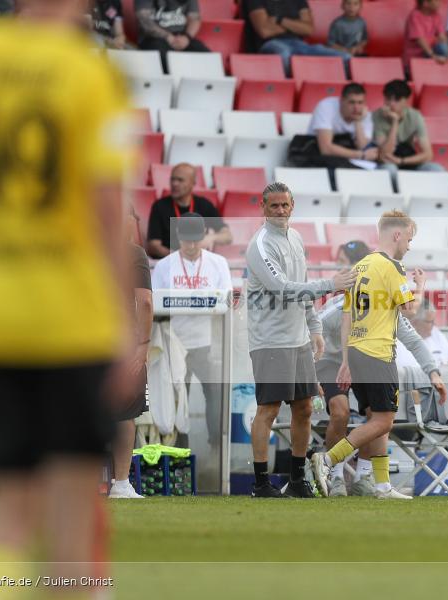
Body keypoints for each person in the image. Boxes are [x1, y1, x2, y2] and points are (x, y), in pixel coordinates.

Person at [0, 0, 136, 586]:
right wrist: (122, 320)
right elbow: (105, 205)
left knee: (10, 513)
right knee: (68, 516)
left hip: (1, 315)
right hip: (74, 316)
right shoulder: (89, 72)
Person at [311, 210, 448, 500]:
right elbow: (410, 310)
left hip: (358, 350)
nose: (410, 246)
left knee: (378, 417)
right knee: (384, 421)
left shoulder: (360, 267)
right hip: (377, 351)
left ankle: (381, 486)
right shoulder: (391, 266)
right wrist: (420, 287)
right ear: (397, 234)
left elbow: (348, 315)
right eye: (409, 239)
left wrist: (347, 360)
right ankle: (328, 460)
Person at [245, 182, 357, 498]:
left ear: (292, 206)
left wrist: (315, 328)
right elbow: (283, 289)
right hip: (270, 339)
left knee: (305, 408)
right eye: (274, 206)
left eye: (285, 205)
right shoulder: (261, 245)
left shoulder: (295, 238)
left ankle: (296, 480)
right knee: (267, 409)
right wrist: (331, 284)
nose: (280, 211)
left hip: (297, 340)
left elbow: (301, 287)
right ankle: (261, 484)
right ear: (263, 208)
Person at [151, 214, 233, 449]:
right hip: (174, 342)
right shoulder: (165, 265)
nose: (192, 246)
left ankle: (217, 446)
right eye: (187, 241)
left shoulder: (218, 263)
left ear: (205, 235)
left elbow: (225, 300)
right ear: (178, 237)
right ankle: (179, 451)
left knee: (215, 394)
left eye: (196, 240)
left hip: (207, 343)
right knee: (177, 397)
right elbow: (156, 303)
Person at [109, 213, 154, 499]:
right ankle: (121, 483)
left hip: (80, 338)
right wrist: (144, 343)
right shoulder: (132, 253)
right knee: (124, 415)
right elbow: (146, 302)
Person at [395, 298, 448, 440]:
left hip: (441, 403)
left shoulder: (435, 334)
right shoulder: (397, 340)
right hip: (408, 406)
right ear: (415, 322)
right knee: (404, 424)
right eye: (430, 322)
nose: (434, 325)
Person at [244, 0, 351, 77]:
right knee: (284, 53)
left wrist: (279, 20)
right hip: (270, 43)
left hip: (299, 44)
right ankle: (288, 90)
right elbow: (265, 31)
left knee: (345, 57)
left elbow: (308, 30)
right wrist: (296, 26)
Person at [146, 163, 232, 258]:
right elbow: (153, 245)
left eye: (180, 180)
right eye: (172, 179)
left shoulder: (204, 205)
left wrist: (211, 238)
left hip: (199, 262)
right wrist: (179, 257)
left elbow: (227, 236)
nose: (175, 184)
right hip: (170, 261)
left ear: (192, 183)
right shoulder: (159, 206)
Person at [373, 79, 444, 189]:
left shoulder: (415, 116)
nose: (391, 104)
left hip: (406, 160)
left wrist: (402, 161)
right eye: (388, 99)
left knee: (437, 170)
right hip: (386, 163)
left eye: (396, 100)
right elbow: (384, 154)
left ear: (406, 101)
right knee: (390, 170)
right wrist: (395, 122)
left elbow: (428, 154)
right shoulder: (376, 116)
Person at [300, 83, 376, 180]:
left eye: (360, 102)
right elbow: (326, 149)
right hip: (319, 157)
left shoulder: (365, 115)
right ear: (341, 101)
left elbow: (362, 147)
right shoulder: (326, 106)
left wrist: (358, 122)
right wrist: (360, 155)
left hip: (349, 161)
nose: (356, 108)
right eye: (352, 102)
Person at [136, 0, 210, 72]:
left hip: (181, 36)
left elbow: (195, 18)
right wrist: (167, 36)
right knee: (166, 59)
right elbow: (144, 20)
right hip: (154, 37)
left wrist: (187, 37)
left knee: (207, 57)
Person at [404, 0, 448, 68]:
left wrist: (446, 49)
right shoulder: (415, 16)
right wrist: (433, 56)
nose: (440, 3)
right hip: (417, 57)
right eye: (436, 1)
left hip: (431, 53)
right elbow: (420, 40)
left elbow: (442, 37)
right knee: (442, 49)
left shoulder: (436, 15)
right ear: (425, 3)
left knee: (443, 46)